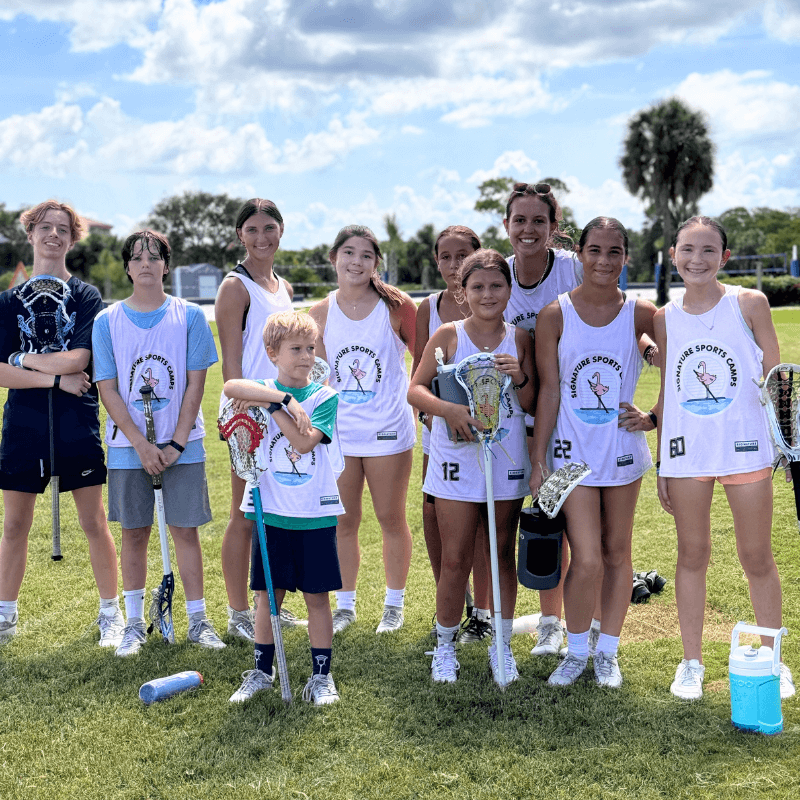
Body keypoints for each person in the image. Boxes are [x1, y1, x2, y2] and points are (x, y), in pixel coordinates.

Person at [654, 216, 795, 700]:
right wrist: (662, 464)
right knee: (692, 555)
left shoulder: (749, 303)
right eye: (687, 250)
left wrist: (785, 442)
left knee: (756, 556)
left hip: (746, 447)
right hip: (688, 454)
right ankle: (690, 662)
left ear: (725, 258)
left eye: (709, 250)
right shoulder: (663, 317)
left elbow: (777, 378)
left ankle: (773, 659)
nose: (697, 259)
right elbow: (670, 393)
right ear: (672, 254)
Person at [529, 218, 656, 688]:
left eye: (615, 252)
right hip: (572, 454)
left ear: (626, 257)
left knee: (618, 552)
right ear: (579, 254)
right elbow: (549, 392)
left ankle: (608, 652)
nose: (605, 261)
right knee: (585, 558)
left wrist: (654, 418)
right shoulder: (554, 314)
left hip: (623, 452)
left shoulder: (643, 312)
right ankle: (576, 651)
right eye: (596, 251)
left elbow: (680, 359)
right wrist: (539, 459)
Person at [92, 230, 225, 655]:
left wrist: (176, 444)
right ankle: (133, 624)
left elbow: (194, 386)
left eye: (154, 256)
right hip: (129, 448)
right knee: (134, 533)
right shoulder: (106, 321)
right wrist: (141, 445)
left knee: (185, 532)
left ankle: (199, 621)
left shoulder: (189, 317)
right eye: (136, 256)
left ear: (166, 265)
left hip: (183, 446)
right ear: (127, 267)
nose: (145, 262)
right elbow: (108, 389)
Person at [409, 249, 535, 685]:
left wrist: (519, 376)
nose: (487, 294)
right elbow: (416, 390)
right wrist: (449, 410)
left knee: (501, 553)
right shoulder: (448, 334)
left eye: (496, 285)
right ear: (462, 292)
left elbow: (533, 400)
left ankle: (501, 646)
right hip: (454, 460)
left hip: (504, 458)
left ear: (509, 289)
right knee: (456, 556)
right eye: (477, 286)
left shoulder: (519, 339)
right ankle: (444, 647)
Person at [0, 200, 122, 646]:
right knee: (14, 526)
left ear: (73, 239)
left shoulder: (86, 297)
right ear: (30, 234)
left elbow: (80, 358)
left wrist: (21, 361)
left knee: (94, 521)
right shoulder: (9, 301)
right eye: (45, 227)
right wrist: (51, 378)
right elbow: (0, 371)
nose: (54, 235)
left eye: (63, 229)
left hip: (77, 423)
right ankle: (4, 617)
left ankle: (110, 612)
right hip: (24, 425)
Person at [224, 310, 344, 705]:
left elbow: (304, 441)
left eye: (311, 348)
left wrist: (277, 408)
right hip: (269, 511)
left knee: (317, 597)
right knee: (267, 596)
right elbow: (229, 385)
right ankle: (261, 671)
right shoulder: (265, 389)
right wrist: (282, 397)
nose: (307, 356)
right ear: (273, 353)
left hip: (313, 513)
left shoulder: (326, 397)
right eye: (296, 349)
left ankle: (322, 677)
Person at [309, 226, 417, 634]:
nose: (356, 262)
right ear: (334, 257)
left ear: (376, 262)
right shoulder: (318, 314)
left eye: (366, 255)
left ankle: (393, 605)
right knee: (343, 523)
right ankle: (346, 606)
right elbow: (315, 381)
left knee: (391, 518)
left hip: (389, 431)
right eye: (349, 253)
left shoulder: (396, 306)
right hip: (340, 435)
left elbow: (422, 359)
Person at [214, 198, 305, 640]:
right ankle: (237, 614)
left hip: (280, 408)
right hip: (248, 413)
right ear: (240, 236)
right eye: (252, 229)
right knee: (245, 514)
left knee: (278, 512)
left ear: (282, 231)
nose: (261, 237)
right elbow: (233, 369)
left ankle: (269, 607)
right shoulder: (235, 287)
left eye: (269, 227)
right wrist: (259, 403)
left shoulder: (282, 286)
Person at [502, 182, 583, 657]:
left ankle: (565, 622)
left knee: (562, 523)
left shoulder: (572, 269)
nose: (528, 229)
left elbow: (611, 316)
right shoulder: (497, 273)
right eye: (520, 220)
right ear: (506, 225)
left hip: (564, 419)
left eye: (538, 221)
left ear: (553, 228)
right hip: (511, 421)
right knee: (526, 522)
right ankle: (530, 619)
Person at [412, 226, 492, 643]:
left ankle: (483, 613)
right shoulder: (428, 307)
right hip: (439, 432)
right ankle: (453, 604)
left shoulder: (491, 297)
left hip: (489, 436)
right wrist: (437, 418)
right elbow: (419, 378)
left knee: (481, 521)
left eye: (462, 255)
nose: (453, 264)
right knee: (435, 517)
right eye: (445, 256)